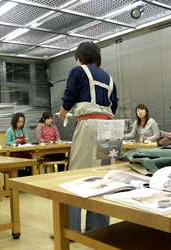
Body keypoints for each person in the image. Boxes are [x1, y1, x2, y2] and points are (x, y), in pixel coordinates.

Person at [58, 41, 119, 234]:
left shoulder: (78, 71)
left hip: (89, 124)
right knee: (104, 177)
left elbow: (68, 98)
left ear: (80, 57)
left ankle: (71, 228)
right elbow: (114, 105)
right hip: (110, 126)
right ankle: (99, 228)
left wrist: (62, 113)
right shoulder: (109, 77)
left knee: (76, 177)